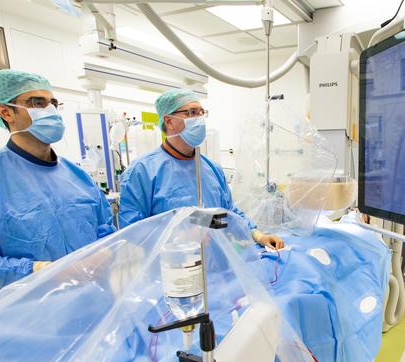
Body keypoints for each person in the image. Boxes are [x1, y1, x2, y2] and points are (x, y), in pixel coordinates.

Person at [0, 69, 116, 298]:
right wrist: (41, 271)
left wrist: (107, 253)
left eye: (53, 103)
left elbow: (106, 233)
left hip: (92, 301)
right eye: (38, 103)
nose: (50, 111)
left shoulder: (79, 177)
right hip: (27, 313)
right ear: (6, 111)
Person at [119, 88, 284, 249]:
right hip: (171, 267)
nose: (199, 118)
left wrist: (257, 235)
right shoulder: (143, 171)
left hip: (216, 264)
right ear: (169, 121)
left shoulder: (211, 168)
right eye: (191, 112)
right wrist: (177, 237)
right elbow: (132, 230)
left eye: (201, 112)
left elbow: (226, 214)